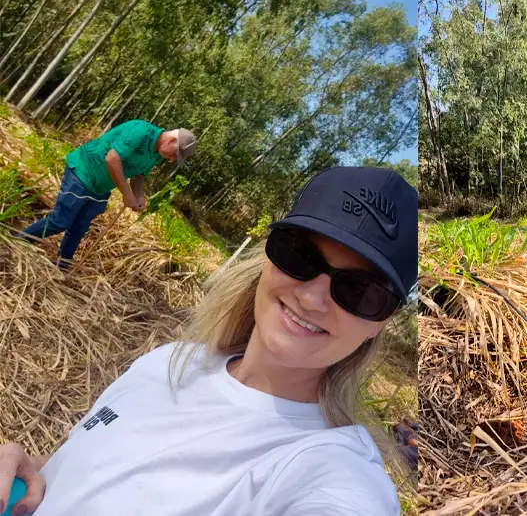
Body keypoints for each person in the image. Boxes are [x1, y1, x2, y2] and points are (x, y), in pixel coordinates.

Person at [0, 166, 417, 515]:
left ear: (380, 322)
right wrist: (31, 470)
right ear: (268, 258)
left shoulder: (332, 469)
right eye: (299, 256)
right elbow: (91, 475)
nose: (311, 299)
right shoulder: (170, 361)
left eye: (360, 291)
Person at [15, 120, 196, 270]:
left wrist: (139, 195)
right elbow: (112, 159)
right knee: (60, 222)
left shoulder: (157, 154)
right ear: (172, 140)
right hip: (83, 172)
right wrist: (126, 193)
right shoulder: (140, 131)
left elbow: (138, 175)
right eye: (175, 155)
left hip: (100, 188)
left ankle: (61, 266)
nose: (172, 160)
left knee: (79, 228)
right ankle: (17, 241)